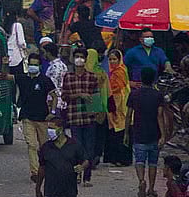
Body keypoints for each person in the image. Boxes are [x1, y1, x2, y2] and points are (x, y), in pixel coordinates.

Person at [35, 111, 88, 197]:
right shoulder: (46, 147)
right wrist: (38, 187)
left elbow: (85, 160)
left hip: (69, 193)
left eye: (52, 128)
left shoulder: (74, 145)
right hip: (51, 193)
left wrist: (81, 167)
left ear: (61, 129)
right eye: (49, 128)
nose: (50, 131)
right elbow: (42, 168)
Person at [62, 47, 100, 187]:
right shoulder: (68, 77)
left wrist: (95, 112)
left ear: (85, 59)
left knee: (89, 149)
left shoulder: (92, 77)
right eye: (76, 56)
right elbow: (64, 97)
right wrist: (79, 95)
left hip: (89, 118)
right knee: (77, 148)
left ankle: (87, 177)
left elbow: (96, 96)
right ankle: (77, 174)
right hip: (74, 117)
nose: (79, 59)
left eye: (81, 57)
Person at [129, 66, 168, 197]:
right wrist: (163, 135)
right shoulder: (158, 95)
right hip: (154, 133)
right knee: (153, 163)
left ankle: (141, 181)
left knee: (139, 160)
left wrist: (126, 133)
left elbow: (129, 114)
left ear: (141, 78)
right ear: (153, 80)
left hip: (139, 131)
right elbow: (160, 115)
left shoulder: (134, 94)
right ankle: (151, 189)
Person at [17, 52, 56, 186]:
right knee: (32, 145)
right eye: (31, 64)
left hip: (42, 118)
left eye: (35, 64)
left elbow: (54, 96)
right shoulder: (23, 79)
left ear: (40, 66)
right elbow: (7, 77)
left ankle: (46, 169)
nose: (33, 67)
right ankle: (35, 172)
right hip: (27, 117)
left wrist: (53, 112)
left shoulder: (45, 80)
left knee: (44, 147)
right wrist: (5, 64)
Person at [103, 48, 131, 165]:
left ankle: (122, 159)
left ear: (119, 60)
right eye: (110, 59)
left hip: (121, 103)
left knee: (121, 131)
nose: (112, 61)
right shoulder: (112, 72)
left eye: (114, 59)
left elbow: (118, 88)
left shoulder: (120, 71)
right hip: (114, 101)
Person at [6, 11, 28, 88]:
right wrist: (25, 48)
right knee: (19, 81)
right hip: (17, 59)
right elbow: (21, 42)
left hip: (8, 59)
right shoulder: (17, 25)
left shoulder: (3, 25)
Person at [43, 42, 67, 110]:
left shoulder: (55, 67)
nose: (43, 54)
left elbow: (53, 86)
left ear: (49, 53)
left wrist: (51, 102)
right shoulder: (62, 65)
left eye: (44, 52)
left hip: (55, 103)